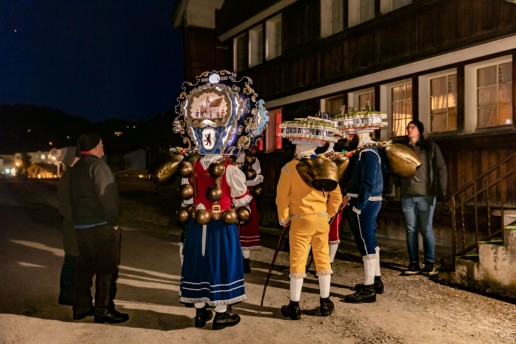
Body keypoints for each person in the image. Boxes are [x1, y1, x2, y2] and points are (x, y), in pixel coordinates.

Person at [276, 131, 343, 320]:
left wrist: (284, 217)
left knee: (298, 260)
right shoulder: (326, 167)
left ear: (300, 146)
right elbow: (336, 196)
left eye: (296, 145)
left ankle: (294, 305)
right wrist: (328, 213)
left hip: (300, 219)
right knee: (322, 259)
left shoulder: (289, 168)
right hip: (321, 219)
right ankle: (325, 302)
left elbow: (282, 197)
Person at [179, 154, 250, 330]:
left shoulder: (192, 166)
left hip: (197, 224)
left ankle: (200, 312)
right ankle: (221, 313)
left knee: (198, 264)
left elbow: (186, 199)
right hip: (221, 225)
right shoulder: (229, 168)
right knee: (222, 264)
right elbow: (241, 198)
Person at [70, 132, 129, 324]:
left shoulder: (77, 167)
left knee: (84, 267)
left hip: (81, 226)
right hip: (100, 226)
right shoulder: (99, 166)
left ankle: (81, 306)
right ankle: (103, 308)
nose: (103, 147)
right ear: (95, 147)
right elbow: (107, 197)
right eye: (101, 144)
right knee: (106, 269)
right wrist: (113, 222)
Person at [399, 119, 447, 275]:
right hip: (407, 194)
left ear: (419, 129)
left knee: (426, 229)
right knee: (411, 230)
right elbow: (396, 168)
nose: (409, 129)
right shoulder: (403, 148)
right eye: (408, 127)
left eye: (412, 127)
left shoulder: (430, 147)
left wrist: (442, 191)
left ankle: (429, 263)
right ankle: (413, 263)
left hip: (426, 194)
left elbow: (441, 168)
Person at [342, 132, 385, 303]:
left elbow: (368, 182)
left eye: (353, 135)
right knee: (370, 241)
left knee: (365, 242)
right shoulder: (367, 151)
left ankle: (368, 289)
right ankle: (376, 280)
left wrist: (359, 205)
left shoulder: (368, 153)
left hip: (366, 202)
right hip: (367, 200)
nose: (350, 138)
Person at [56, 146, 81, 306]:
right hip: (73, 226)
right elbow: (68, 207)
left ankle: (69, 293)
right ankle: (66, 294)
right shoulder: (70, 177)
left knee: (73, 260)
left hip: (73, 224)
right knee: (72, 260)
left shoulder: (72, 176)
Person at [236, 147, 263, 273]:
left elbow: (257, 178)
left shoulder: (253, 160)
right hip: (232, 196)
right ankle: (235, 260)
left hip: (246, 197)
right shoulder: (230, 157)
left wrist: (244, 184)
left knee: (246, 231)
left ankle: (245, 262)